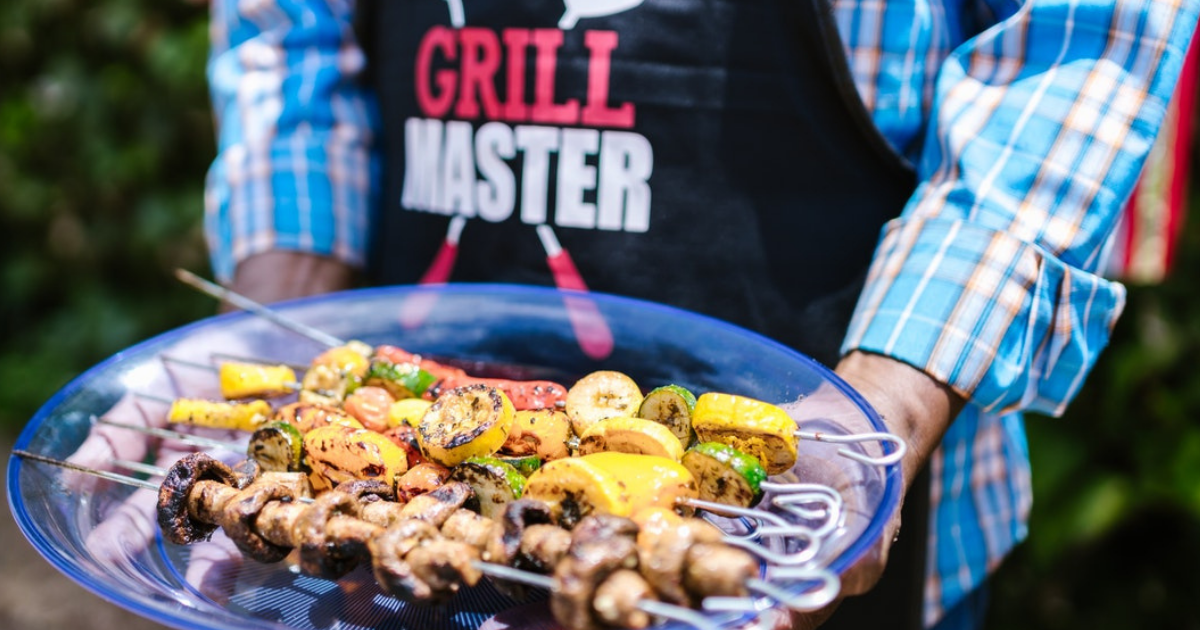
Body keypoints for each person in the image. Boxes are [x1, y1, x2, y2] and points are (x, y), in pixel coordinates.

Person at [201, 0, 1199, 628]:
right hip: (382, 559)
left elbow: (1074, 51)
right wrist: (276, 343)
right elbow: (288, 35)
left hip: (822, 465)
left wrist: (884, 407)